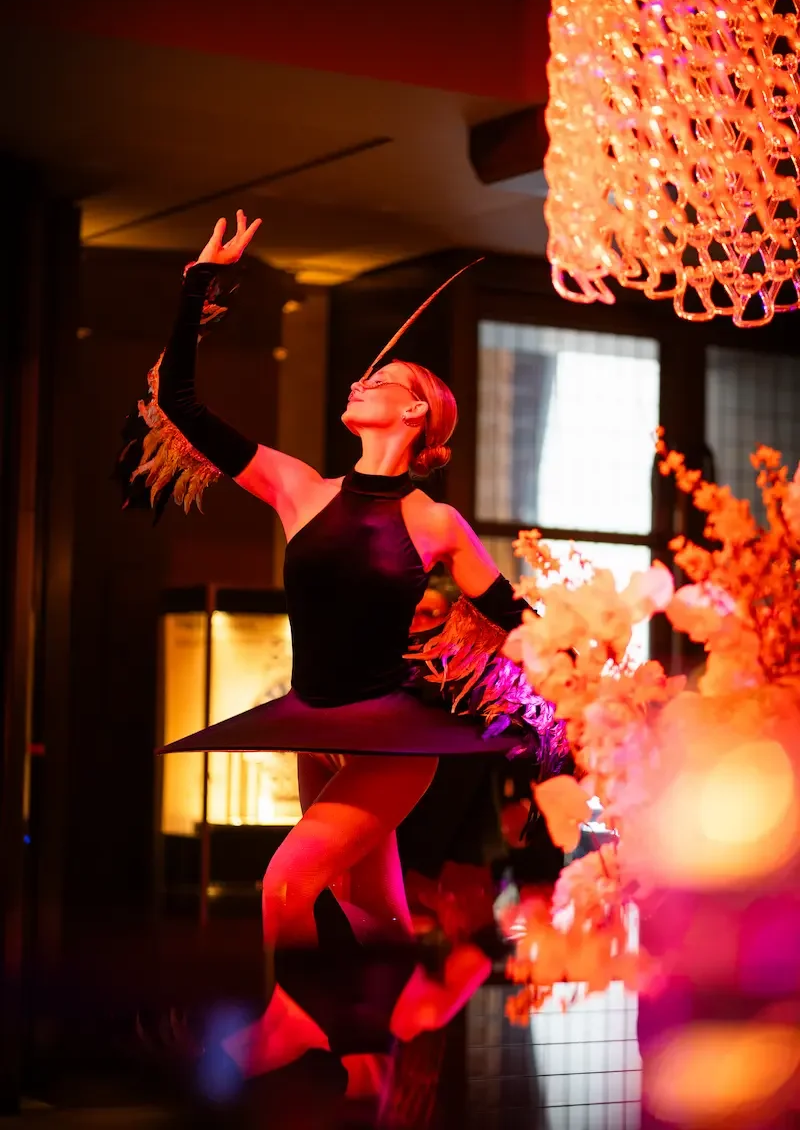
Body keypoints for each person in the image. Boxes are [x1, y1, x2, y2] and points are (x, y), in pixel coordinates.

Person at [122, 211, 565, 1091]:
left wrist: (587, 684)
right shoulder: (299, 489)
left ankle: (290, 1021)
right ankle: (373, 1068)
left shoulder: (432, 522)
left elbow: (520, 619)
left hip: (391, 742)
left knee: (286, 885)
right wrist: (196, 287)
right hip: (312, 726)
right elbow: (179, 405)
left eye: (382, 380)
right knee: (375, 916)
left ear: (414, 413)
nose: (362, 382)